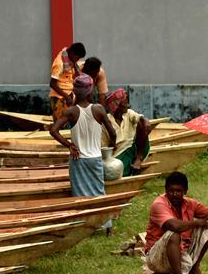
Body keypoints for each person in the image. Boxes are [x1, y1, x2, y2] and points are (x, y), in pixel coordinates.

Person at [48, 74, 117, 234]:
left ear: (75, 91)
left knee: (79, 195)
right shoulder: (98, 109)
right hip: (95, 158)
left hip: (78, 160)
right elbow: (112, 132)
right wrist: (113, 144)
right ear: (89, 91)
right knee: (99, 192)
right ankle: (108, 228)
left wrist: (69, 145)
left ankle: (83, 227)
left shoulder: (71, 111)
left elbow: (53, 130)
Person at [105, 88, 149, 176]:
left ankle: (138, 159)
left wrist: (145, 121)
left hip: (132, 147)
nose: (128, 106)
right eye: (125, 104)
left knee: (141, 123)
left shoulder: (128, 114)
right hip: (116, 152)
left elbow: (141, 119)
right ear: (117, 107)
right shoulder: (107, 120)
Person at [49, 42, 86, 120]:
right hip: (59, 98)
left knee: (68, 121)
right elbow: (52, 84)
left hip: (68, 95)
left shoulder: (69, 60)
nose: (78, 60)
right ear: (72, 53)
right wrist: (66, 96)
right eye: (78, 57)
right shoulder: (59, 64)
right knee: (60, 123)